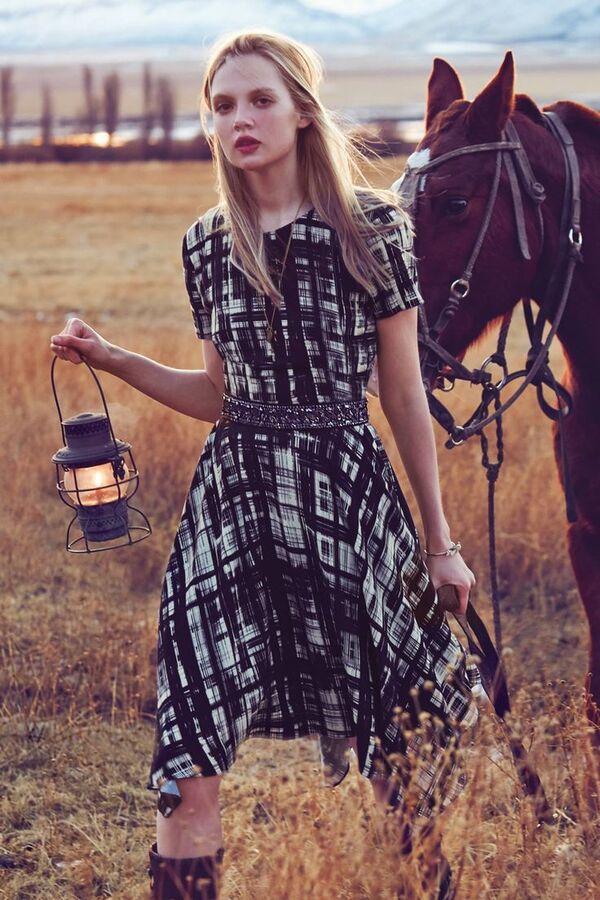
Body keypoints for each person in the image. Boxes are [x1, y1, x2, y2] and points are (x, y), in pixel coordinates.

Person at [50, 28, 483, 900]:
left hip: (346, 498)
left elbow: (403, 397)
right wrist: (112, 358)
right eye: (222, 106)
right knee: (190, 742)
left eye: (259, 100)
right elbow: (218, 394)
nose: (239, 120)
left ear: (301, 111)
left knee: (400, 741)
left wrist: (439, 545)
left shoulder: (372, 230)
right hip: (232, 507)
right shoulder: (208, 244)